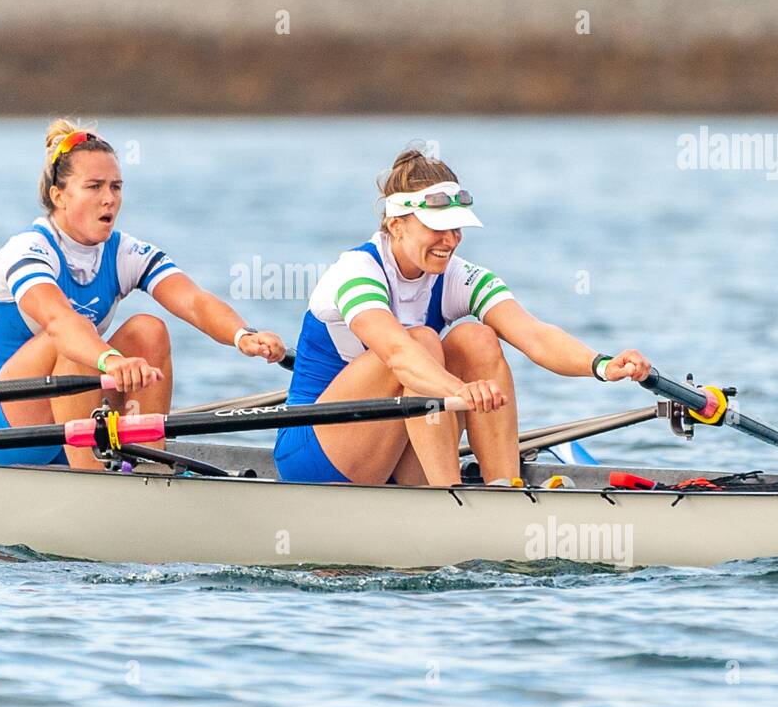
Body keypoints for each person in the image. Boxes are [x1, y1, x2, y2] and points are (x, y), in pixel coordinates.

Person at [274, 147, 651, 487]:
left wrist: (601, 365)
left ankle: (503, 488)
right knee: (419, 342)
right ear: (396, 224)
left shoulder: (457, 275)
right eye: (436, 227)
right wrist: (458, 390)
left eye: (456, 227)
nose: (450, 240)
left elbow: (533, 336)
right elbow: (397, 354)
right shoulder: (357, 271)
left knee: (476, 338)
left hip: (396, 448)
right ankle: (450, 501)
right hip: (314, 453)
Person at [0, 118, 286, 468]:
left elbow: (193, 300)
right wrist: (110, 360)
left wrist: (242, 335)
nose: (109, 199)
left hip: (64, 421)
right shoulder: (28, 250)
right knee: (71, 341)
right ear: (59, 196)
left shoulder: (123, 252)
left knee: (149, 329)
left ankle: (148, 466)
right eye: (94, 187)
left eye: (115, 187)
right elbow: (58, 321)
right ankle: (94, 478)